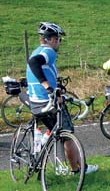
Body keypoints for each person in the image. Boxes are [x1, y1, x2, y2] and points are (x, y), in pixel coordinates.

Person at [27, 22, 98, 174]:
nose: (59, 43)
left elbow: (39, 68)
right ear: (51, 39)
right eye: (59, 39)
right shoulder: (49, 51)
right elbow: (33, 63)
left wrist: (57, 85)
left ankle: (49, 161)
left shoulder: (36, 51)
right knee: (68, 136)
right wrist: (48, 87)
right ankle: (78, 170)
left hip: (36, 102)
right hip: (48, 102)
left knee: (54, 133)